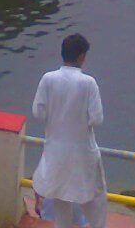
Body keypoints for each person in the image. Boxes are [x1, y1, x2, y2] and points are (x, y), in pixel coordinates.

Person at [32, 34, 106, 228]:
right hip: (83, 153)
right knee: (94, 201)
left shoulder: (48, 79)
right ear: (82, 56)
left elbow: (38, 113)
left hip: (56, 153)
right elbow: (97, 119)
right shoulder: (88, 83)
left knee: (61, 204)